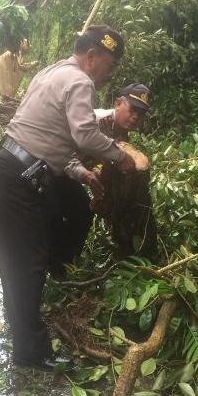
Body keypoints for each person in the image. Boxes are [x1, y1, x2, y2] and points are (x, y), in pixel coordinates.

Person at [0, 25, 136, 371]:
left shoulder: (53, 71)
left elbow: (52, 137)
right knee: (28, 261)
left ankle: (20, 317)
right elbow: (84, 135)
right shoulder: (80, 81)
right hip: (17, 175)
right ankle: (31, 352)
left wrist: (80, 172)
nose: (109, 74)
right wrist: (119, 155)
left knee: (25, 254)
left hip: (9, 164)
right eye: (109, 65)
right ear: (93, 56)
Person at [50, 84, 151, 278]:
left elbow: (103, 164)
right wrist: (84, 175)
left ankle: (68, 265)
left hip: (71, 173)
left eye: (141, 114)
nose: (136, 117)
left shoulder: (121, 134)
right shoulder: (95, 122)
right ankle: (56, 269)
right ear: (118, 103)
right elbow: (61, 151)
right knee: (58, 217)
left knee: (82, 214)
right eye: (132, 110)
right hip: (53, 168)